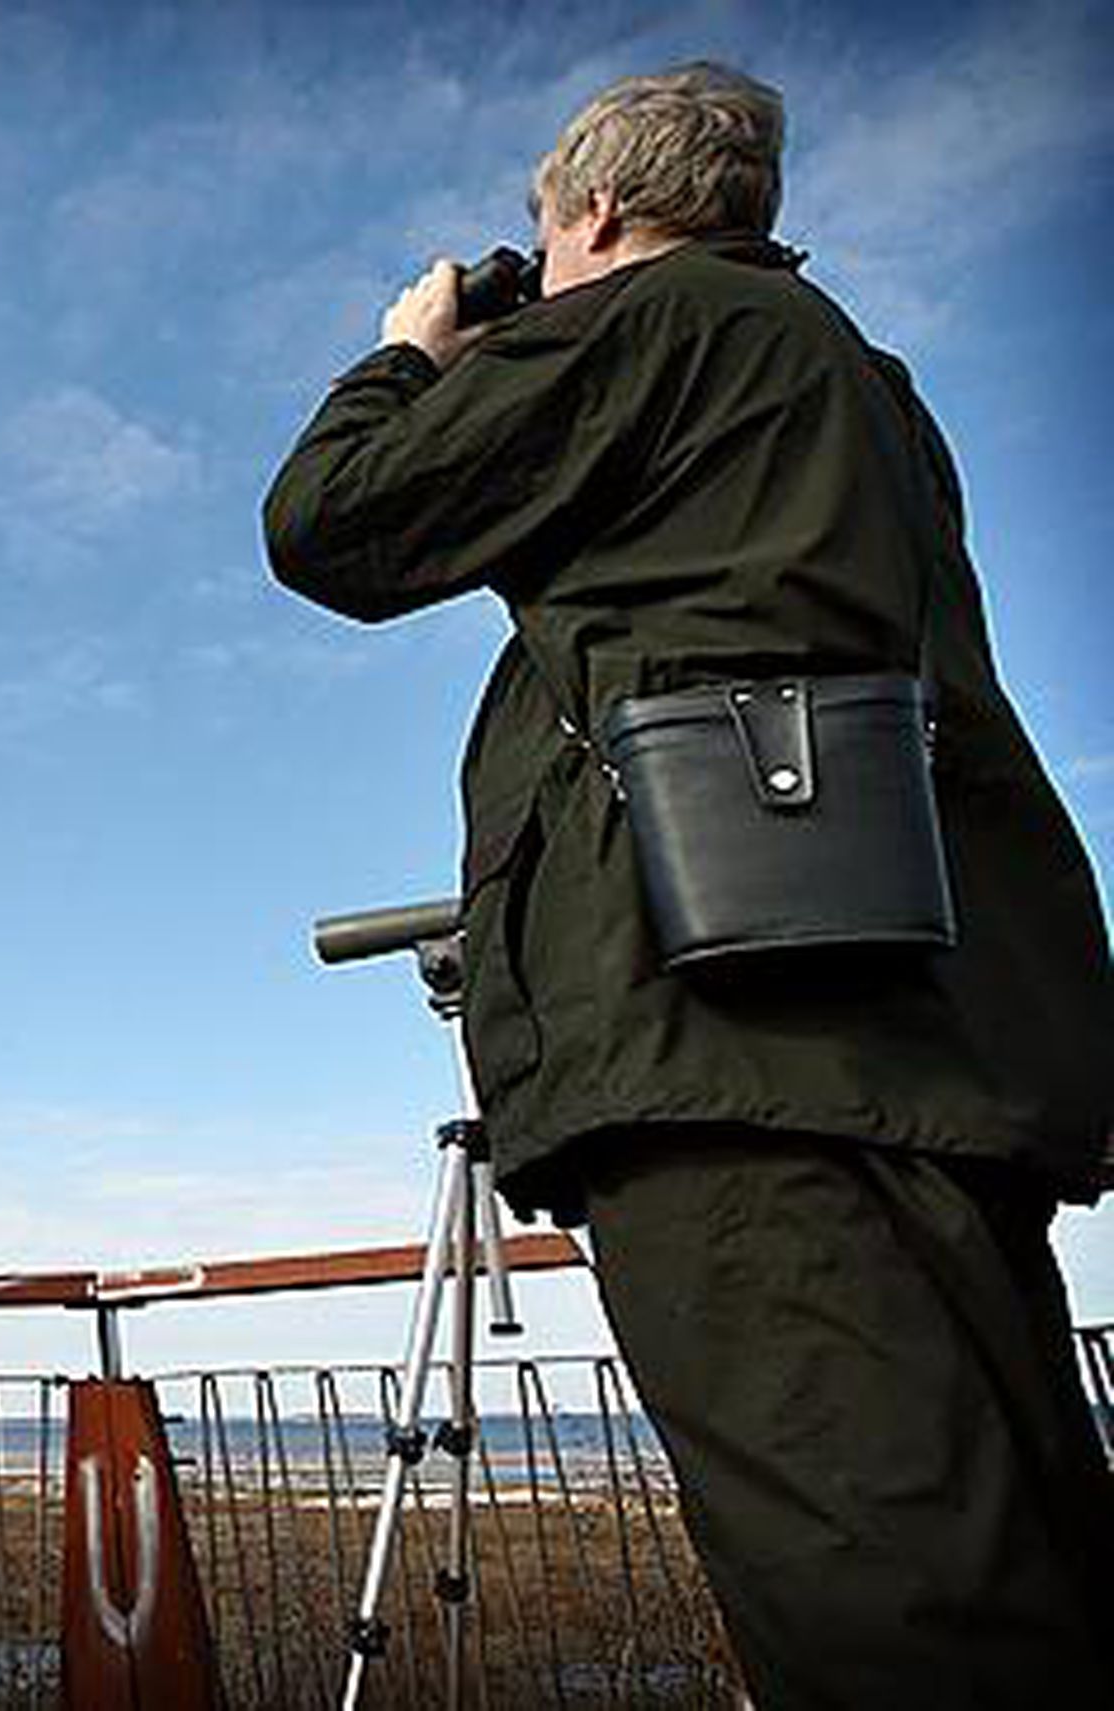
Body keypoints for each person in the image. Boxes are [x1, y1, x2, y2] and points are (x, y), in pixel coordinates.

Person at [263, 63, 1114, 1709]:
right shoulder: (857, 385)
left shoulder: (659, 322)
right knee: (1011, 1550)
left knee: (877, 1589)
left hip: (733, 1041)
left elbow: (333, 526)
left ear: (591, 214)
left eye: (548, 235)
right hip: (912, 1036)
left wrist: (405, 352)